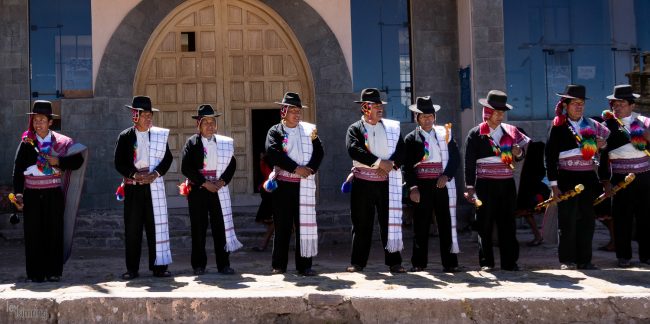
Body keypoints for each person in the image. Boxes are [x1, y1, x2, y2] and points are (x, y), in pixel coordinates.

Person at [12, 100, 87, 282]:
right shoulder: (27, 143)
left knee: (54, 231)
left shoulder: (61, 142)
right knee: (33, 233)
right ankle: (35, 273)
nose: (38, 124)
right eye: (35, 120)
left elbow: (78, 161)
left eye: (42, 120)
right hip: (32, 194)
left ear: (50, 122)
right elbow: (18, 169)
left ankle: (54, 271)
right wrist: (19, 193)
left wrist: (58, 162)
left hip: (53, 193)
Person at [464, 90, 530, 271]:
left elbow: (520, 155)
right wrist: (470, 187)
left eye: (502, 112)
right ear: (487, 111)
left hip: (506, 184)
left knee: (507, 223)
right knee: (484, 223)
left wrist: (518, 153)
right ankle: (487, 263)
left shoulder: (510, 131)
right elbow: (469, 163)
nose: (500, 115)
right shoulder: (475, 134)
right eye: (497, 112)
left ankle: (510, 262)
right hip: (484, 184)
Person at [545, 84, 609, 270]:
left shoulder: (591, 124)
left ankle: (585, 260)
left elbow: (601, 149)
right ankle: (567, 260)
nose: (578, 107)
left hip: (588, 178)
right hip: (566, 178)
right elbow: (549, 157)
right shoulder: (558, 127)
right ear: (565, 105)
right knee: (567, 221)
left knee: (587, 221)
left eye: (581, 103)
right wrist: (554, 185)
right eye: (574, 103)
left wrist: (602, 145)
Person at [345, 88, 407, 274]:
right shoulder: (355, 128)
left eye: (381, 106)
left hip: (386, 182)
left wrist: (391, 165)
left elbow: (402, 150)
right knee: (362, 223)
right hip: (363, 183)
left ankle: (394, 262)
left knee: (389, 222)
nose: (380, 109)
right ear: (365, 107)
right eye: (375, 106)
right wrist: (380, 163)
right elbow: (354, 150)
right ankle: (357, 263)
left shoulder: (392, 129)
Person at [264, 92, 324, 276]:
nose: (297, 114)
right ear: (284, 111)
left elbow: (319, 151)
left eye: (299, 111)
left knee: (304, 224)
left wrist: (310, 169)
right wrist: (295, 168)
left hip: (303, 185)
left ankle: (305, 265)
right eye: (293, 111)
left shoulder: (309, 131)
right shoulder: (275, 131)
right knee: (282, 225)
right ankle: (279, 265)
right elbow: (272, 153)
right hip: (283, 185)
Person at [114, 96, 173, 279]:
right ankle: (132, 270)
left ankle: (159, 268)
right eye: (145, 115)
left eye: (150, 115)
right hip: (134, 188)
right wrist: (134, 175)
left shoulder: (158, 136)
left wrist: (155, 174)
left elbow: (167, 158)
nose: (148, 119)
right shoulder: (125, 137)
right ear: (135, 116)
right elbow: (119, 163)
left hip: (153, 187)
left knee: (156, 227)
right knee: (133, 229)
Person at [180, 104, 241, 275]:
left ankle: (224, 264)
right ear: (198, 124)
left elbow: (232, 163)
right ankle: (199, 265)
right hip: (199, 190)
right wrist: (205, 183)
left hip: (218, 190)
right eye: (205, 122)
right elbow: (186, 168)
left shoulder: (224, 143)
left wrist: (221, 182)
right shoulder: (192, 142)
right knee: (198, 228)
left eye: (212, 122)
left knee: (220, 228)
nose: (209, 126)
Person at [403, 96, 461, 272]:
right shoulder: (411, 139)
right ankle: (419, 263)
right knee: (421, 225)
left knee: (445, 223)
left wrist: (447, 176)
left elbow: (455, 157)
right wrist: (412, 188)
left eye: (430, 116)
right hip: (421, 186)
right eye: (423, 116)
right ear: (417, 118)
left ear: (435, 117)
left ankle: (450, 263)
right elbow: (407, 165)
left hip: (441, 184)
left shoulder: (445, 134)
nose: (427, 119)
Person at [598, 84, 650, 268]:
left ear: (632, 106)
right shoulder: (607, 126)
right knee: (622, 218)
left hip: (644, 177)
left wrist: (644, 133)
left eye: (621, 104)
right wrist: (606, 182)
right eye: (614, 104)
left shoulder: (643, 121)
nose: (617, 107)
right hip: (620, 178)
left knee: (646, 218)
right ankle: (624, 255)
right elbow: (602, 156)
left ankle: (646, 255)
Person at [514, 140, 549, 247]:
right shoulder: (531, 152)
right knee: (525, 212)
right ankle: (538, 236)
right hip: (528, 188)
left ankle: (538, 236)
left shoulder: (533, 152)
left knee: (525, 211)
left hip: (530, 190)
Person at [253, 152, 274, 252]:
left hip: (273, 195)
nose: (260, 156)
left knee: (273, 221)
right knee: (272, 222)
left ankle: (264, 244)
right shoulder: (263, 164)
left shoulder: (270, 164)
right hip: (269, 195)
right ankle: (263, 244)